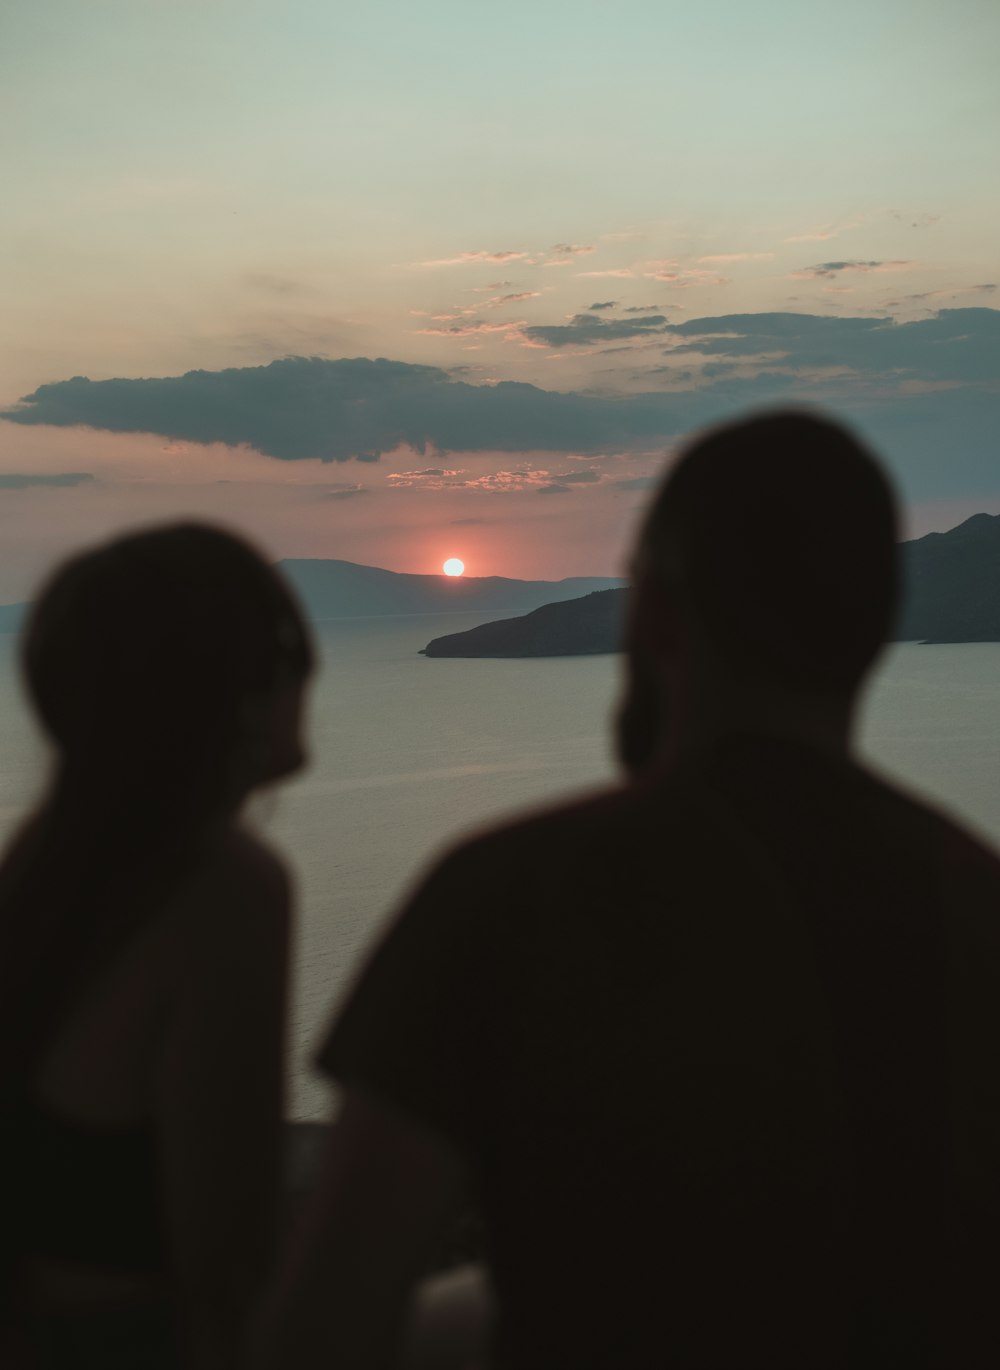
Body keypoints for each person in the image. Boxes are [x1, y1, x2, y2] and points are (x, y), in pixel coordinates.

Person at [261, 411, 1000, 1369]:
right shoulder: (972, 900)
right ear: (870, 631)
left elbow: (324, 1319)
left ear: (653, 615)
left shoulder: (508, 895)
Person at [0, 523, 313, 1369]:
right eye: (286, 646)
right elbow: (228, 1273)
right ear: (233, 687)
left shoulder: (39, 876)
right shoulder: (221, 886)